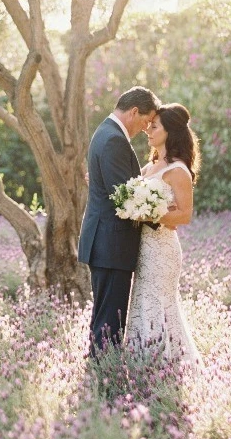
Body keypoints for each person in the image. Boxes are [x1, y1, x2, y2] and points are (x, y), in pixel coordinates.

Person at [78, 86, 161, 356]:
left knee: (105, 319)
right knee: (109, 322)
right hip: (111, 245)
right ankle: (104, 381)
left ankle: (101, 378)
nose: (145, 129)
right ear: (134, 111)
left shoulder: (105, 132)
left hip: (105, 244)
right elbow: (124, 199)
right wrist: (159, 216)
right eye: (146, 121)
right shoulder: (113, 139)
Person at [124, 102, 202, 371]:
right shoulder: (147, 169)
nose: (148, 129)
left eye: (154, 126)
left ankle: (170, 366)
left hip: (163, 250)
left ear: (169, 131)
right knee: (141, 301)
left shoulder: (178, 171)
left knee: (159, 302)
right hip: (143, 248)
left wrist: (149, 214)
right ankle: (139, 365)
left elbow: (184, 216)